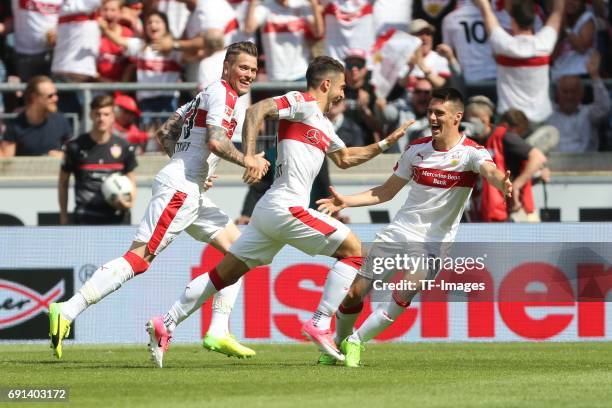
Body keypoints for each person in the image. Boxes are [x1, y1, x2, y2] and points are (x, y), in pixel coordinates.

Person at [146, 55, 415, 367]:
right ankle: (320, 321)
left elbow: (345, 158)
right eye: (342, 87)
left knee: (224, 275)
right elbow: (257, 110)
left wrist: (385, 144)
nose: (344, 93)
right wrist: (248, 156)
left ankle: (167, 321)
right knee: (354, 250)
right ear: (327, 84)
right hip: (286, 205)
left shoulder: (323, 123)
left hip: (270, 212)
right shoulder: (302, 101)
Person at [48, 42, 269, 363]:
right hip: (181, 188)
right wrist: (246, 159)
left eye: (253, 68)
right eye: (243, 67)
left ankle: (216, 329)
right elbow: (216, 141)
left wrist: (190, 165)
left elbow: (165, 131)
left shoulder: (207, 94)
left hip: (188, 186)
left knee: (240, 253)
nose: (249, 74)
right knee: (139, 259)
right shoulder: (223, 94)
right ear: (227, 67)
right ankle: (67, 309)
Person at [315, 88, 512, 367]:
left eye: (439, 113)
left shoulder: (471, 153)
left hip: (434, 241)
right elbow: (386, 191)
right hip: (399, 233)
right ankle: (336, 344)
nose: (432, 117)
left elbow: (490, 171)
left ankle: (356, 341)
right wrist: (346, 201)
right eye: (430, 112)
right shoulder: (416, 149)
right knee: (354, 294)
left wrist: (501, 182)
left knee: (405, 289)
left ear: (457, 117)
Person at [475, 0, 565, 125]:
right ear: (533, 21)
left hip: (510, 120)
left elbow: (486, 11)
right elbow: (558, 12)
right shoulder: (545, 43)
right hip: (540, 118)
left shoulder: (503, 44)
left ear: (513, 22)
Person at [463, 97, 547, 222]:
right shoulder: (469, 142)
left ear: (484, 119)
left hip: (516, 212)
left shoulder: (504, 136)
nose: (467, 125)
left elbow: (538, 157)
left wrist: (517, 185)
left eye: (471, 121)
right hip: (485, 214)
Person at [59, 94, 137, 225]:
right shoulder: (75, 147)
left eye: (106, 114)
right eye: (97, 114)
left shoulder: (124, 146)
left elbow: (132, 181)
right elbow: (63, 182)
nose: (101, 119)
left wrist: (130, 202)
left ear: (113, 117)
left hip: (117, 218)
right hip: (85, 218)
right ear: (90, 115)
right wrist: (63, 215)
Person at [244, 0, 323, 82]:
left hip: (300, 72)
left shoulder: (301, 5)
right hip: (276, 75)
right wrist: (253, 2)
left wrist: (314, 4)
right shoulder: (265, 7)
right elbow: (248, 29)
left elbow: (318, 32)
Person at [547, 52, 610, 152]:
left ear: (581, 94)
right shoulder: (548, 114)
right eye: (565, 91)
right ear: (557, 94)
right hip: (554, 165)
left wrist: (594, 76)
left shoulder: (588, 113)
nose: (569, 96)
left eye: (573, 91)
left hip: (587, 165)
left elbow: (605, 106)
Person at [0, 76, 71, 157]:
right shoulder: (14, 127)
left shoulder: (60, 120)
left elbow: (70, 152)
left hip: (55, 169)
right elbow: (7, 160)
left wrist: (63, 155)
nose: (56, 98)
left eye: (56, 94)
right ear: (34, 97)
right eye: (50, 96)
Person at [343, 48, 382, 145]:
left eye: (358, 65)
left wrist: (364, 109)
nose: (354, 69)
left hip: (365, 141)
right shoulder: (338, 88)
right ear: (345, 69)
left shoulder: (373, 90)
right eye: (350, 65)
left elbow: (379, 128)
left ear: (365, 70)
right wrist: (338, 108)